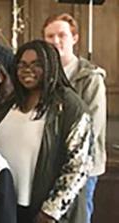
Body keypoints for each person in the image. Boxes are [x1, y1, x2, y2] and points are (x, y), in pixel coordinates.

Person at [0, 40, 93, 223]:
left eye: (36, 64)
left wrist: (50, 212)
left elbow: (78, 166)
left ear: (51, 66)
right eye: (21, 65)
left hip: (44, 211)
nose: (27, 69)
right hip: (7, 205)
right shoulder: (10, 102)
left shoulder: (70, 107)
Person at [43, 13, 107, 222]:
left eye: (62, 35)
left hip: (82, 165)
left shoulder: (90, 77)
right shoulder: (43, 76)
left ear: (75, 38)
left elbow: (93, 125)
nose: (56, 41)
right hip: (50, 162)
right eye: (50, 36)